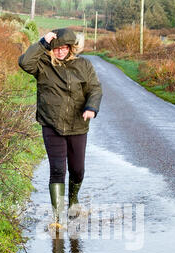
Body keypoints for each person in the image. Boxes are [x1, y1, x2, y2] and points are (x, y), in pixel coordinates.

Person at [18, 28, 102, 229]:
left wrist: (91, 107)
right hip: (51, 124)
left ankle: (73, 200)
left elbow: (95, 89)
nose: (60, 52)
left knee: (77, 170)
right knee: (57, 170)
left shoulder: (84, 65)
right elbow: (24, 62)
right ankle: (57, 217)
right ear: (51, 49)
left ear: (71, 48)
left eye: (64, 48)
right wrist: (42, 43)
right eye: (56, 48)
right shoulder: (43, 65)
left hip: (77, 125)